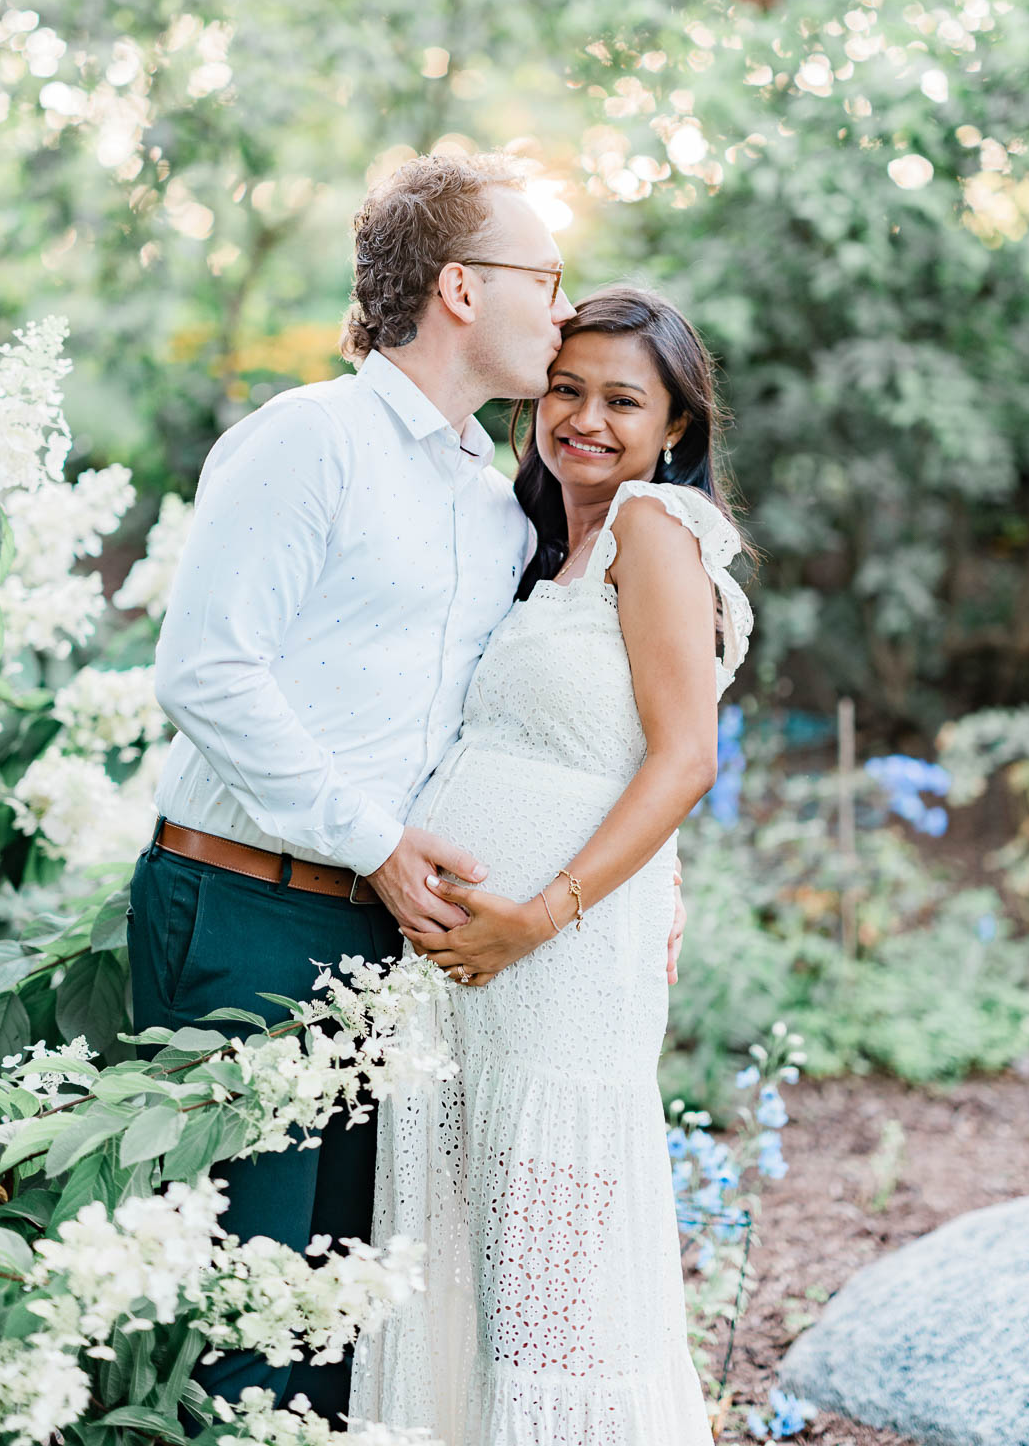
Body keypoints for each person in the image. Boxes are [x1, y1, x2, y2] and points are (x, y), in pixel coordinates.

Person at [125, 152, 686, 1424]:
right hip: (243, 910)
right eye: (542, 279)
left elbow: (574, 718)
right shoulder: (306, 439)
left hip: (395, 949)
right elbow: (207, 669)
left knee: (342, 1319)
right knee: (236, 1314)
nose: (559, 306)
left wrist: (652, 874)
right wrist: (376, 840)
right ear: (458, 290)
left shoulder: (494, 508)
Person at [350, 286, 754, 1444]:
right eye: (564, 387)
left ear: (674, 426)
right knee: (476, 1268)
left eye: (622, 399)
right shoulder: (543, 548)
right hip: (474, 968)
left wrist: (538, 914)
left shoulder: (655, 531)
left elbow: (682, 761)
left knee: (551, 1297)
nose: (582, 416)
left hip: (558, 964)